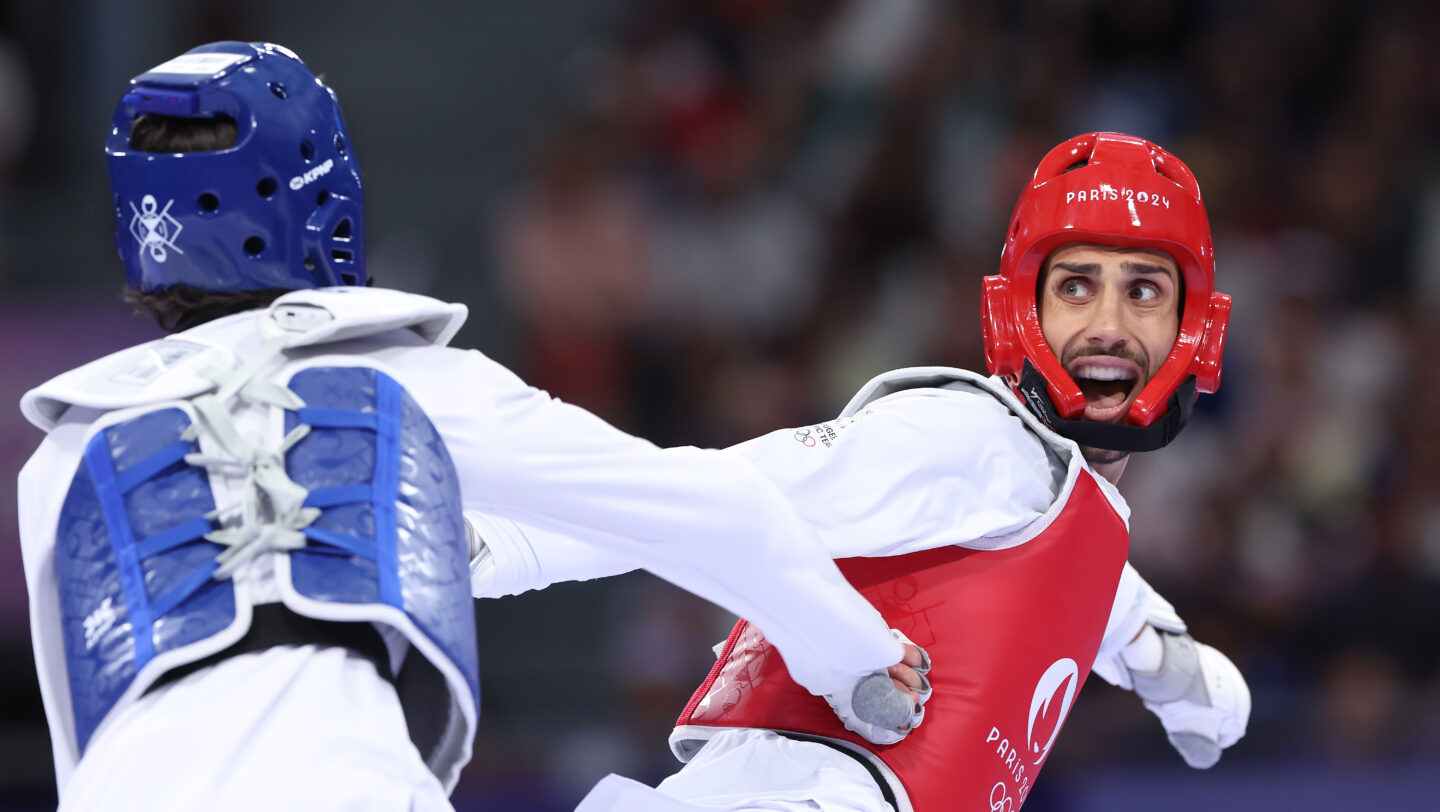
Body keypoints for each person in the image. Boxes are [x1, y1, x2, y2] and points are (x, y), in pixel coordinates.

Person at [15, 41, 930, 812]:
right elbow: (711, 509)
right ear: (322, 193)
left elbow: (84, 737)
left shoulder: (62, 455)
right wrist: (857, 658)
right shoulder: (399, 383)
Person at [465, 133, 1253, 811]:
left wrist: (1198, 688)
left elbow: (1123, 617)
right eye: (1076, 286)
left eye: (1143, 290)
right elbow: (708, 500)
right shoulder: (966, 437)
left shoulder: (1067, 515)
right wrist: (496, 546)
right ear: (1020, 312)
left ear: (1195, 325)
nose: (1108, 325)